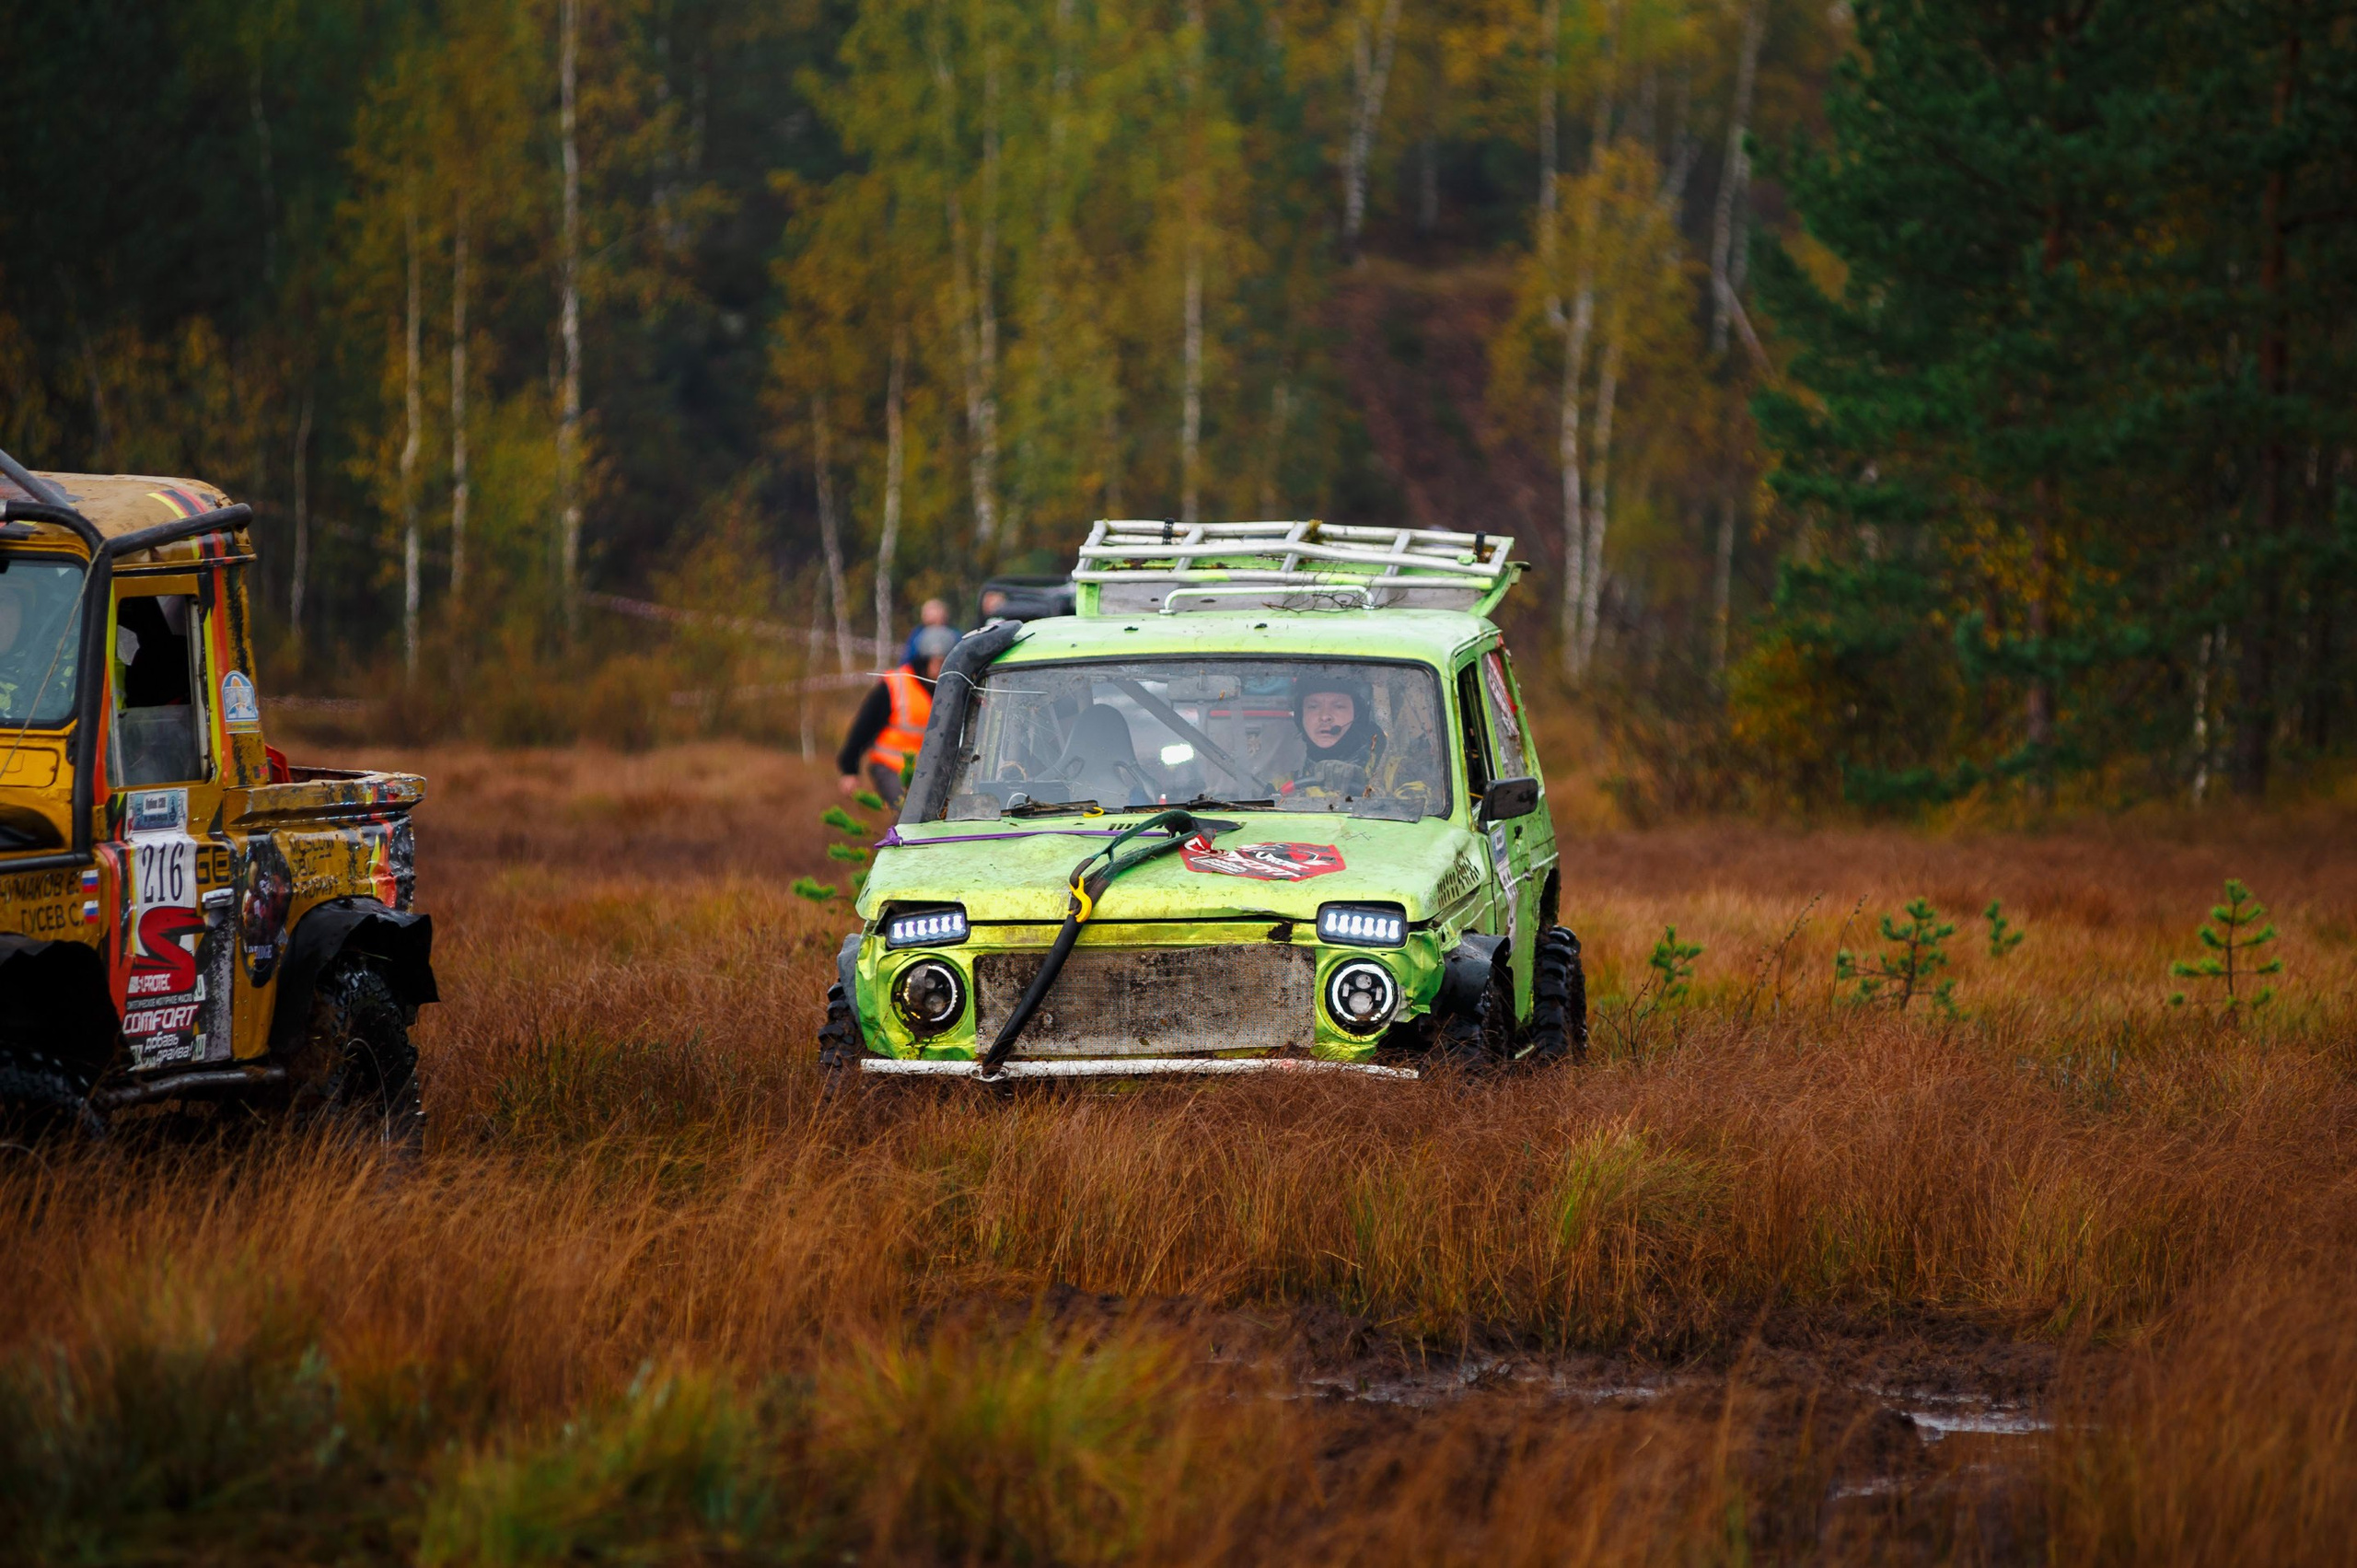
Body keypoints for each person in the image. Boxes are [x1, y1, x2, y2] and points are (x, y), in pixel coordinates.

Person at [841, 623, 959, 807]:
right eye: (936, 661)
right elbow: (863, 727)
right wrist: (849, 769)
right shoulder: (895, 685)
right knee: (907, 811)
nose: (940, 667)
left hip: (929, 771)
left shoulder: (953, 688)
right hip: (890, 766)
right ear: (923, 660)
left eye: (944, 661)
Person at [899, 598, 957, 668]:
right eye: (931, 623)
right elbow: (906, 662)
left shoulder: (954, 636)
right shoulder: (917, 637)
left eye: (937, 622)